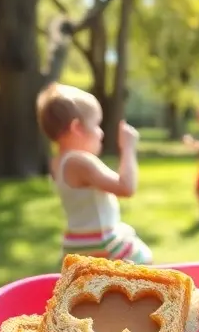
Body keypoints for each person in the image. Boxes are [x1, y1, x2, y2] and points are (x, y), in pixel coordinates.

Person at [36, 83, 152, 263]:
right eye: (97, 124)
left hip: (75, 244)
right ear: (77, 128)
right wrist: (128, 148)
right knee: (145, 261)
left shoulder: (57, 162)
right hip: (101, 242)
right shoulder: (80, 160)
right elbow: (126, 187)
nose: (101, 133)